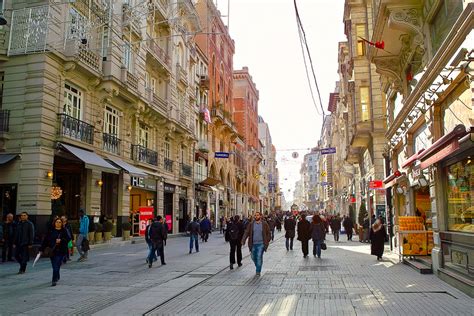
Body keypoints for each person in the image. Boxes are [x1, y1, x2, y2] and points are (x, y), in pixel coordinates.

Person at [40, 218, 71, 286]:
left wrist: (61, 240)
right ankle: (57, 275)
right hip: (52, 251)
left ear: (62, 223)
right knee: (55, 265)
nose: (58, 223)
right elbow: (45, 241)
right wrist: (41, 250)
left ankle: (54, 280)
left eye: (60, 222)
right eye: (57, 222)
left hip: (61, 251)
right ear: (54, 223)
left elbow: (68, 239)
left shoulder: (64, 231)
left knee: (57, 265)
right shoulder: (51, 231)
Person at [241, 211, 271, 276]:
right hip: (253, 244)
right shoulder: (251, 224)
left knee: (259, 256)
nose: (256, 216)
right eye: (255, 215)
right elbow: (246, 232)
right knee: (253, 257)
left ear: (260, 216)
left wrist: (267, 240)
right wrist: (243, 240)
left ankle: (258, 271)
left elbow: (268, 233)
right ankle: (258, 265)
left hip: (261, 244)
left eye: (257, 215)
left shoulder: (264, 224)